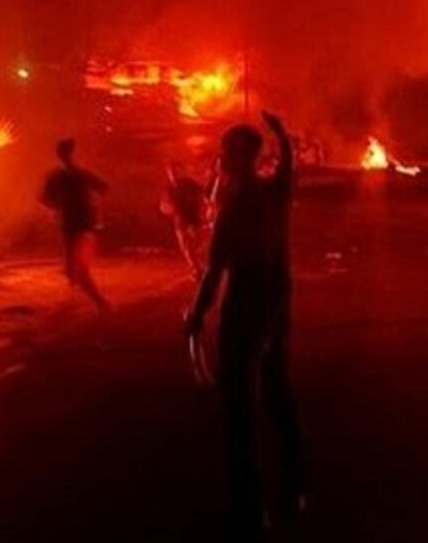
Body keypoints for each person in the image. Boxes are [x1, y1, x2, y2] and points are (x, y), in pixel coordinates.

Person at [184, 110, 305, 537]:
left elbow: (215, 267)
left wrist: (197, 314)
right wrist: (282, 134)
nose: (220, 157)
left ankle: (250, 510)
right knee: (278, 396)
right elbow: (288, 167)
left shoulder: (237, 205)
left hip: (246, 309)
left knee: (239, 411)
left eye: (225, 151)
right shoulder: (275, 192)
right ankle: (295, 488)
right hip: (278, 304)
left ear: (236, 156)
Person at [41, 138, 112, 314]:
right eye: (66, 153)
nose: (67, 157)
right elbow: (45, 199)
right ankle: (75, 300)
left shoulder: (73, 175)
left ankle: (100, 303)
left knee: (78, 268)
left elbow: (103, 187)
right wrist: (57, 209)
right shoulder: (64, 176)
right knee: (72, 268)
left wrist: (57, 208)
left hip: (82, 227)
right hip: (75, 226)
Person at [161, 162, 212, 279]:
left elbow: (202, 194)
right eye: (170, 172)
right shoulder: (169, 189)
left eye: (174, 171)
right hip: (180, 221)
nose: (173, 174)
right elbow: (164, 206)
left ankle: (204, 264)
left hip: (193, 218)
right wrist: (169, 208)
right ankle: (196, 268)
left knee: (199, 242)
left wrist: (204, 207)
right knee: (186, 246)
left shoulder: (188, 184)